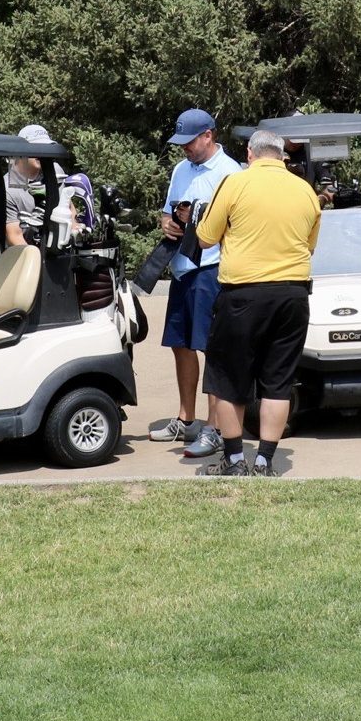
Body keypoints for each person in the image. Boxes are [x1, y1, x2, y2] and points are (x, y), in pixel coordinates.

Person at [192, 129, 323, 476]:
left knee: (229, 380)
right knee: (277, 381)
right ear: (282, 156)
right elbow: (309, 246)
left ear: (249, 153)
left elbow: (205, 238)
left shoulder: (234, 183)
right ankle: (265, 461)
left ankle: (234, 460)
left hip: (243, 294)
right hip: (293, 294)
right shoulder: (305, 190)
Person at [148, 107, 242, 459]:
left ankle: (214, 427)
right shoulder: (180, 169)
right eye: (181, 143)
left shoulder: (230, 172)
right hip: (182, 266)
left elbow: (233, 224)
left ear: (209, 135)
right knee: (181, 344)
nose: (184, 149)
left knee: (211, 348)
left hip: (212, 268)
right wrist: (167, 223)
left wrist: (198, 224)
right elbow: (167, 210)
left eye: (189, 142)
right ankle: (186, 420)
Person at [4, 123, 53, 247]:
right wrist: (35, 261)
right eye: (36, 147)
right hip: (25, 256)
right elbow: (14, 237)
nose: (42, 152)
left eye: (45, 147)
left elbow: (68, 204)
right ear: (21, 150)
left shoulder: (54, 171)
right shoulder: (9, 188)